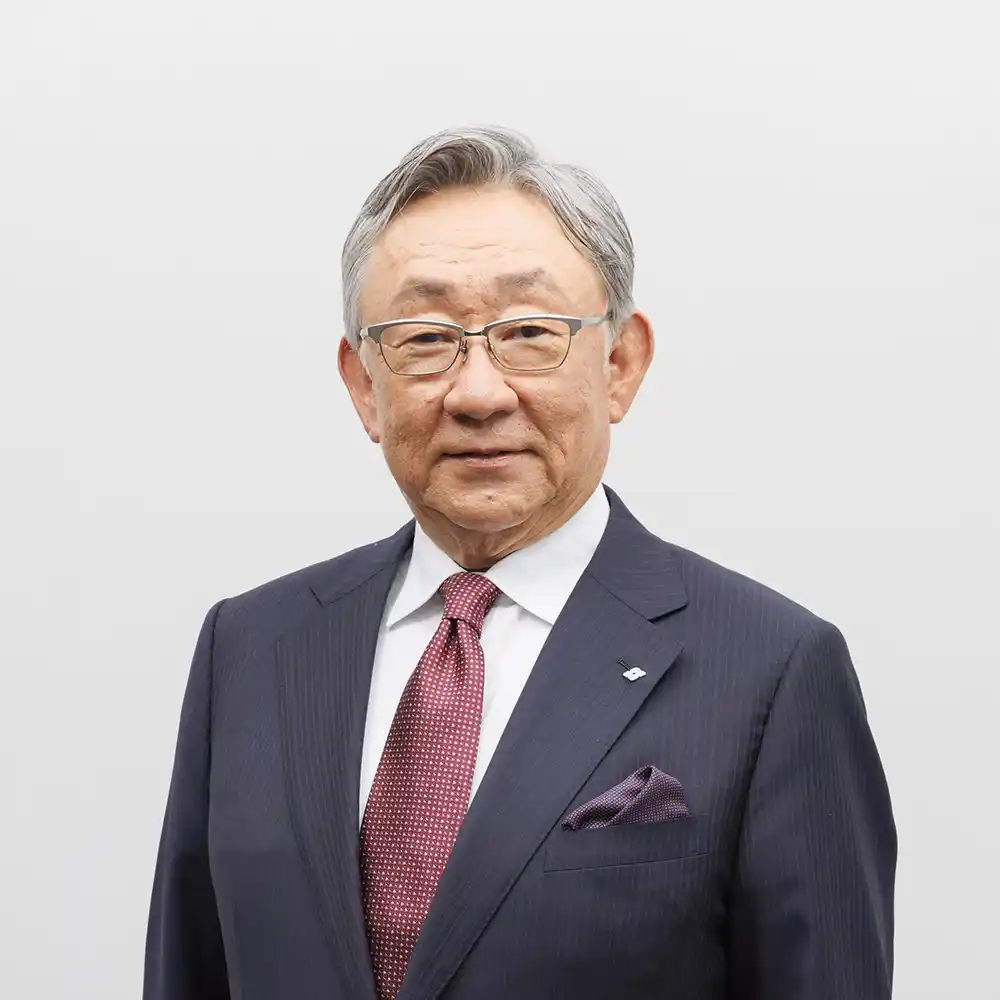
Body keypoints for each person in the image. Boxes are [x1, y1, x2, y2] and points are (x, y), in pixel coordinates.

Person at [143, 126, 896, 1000]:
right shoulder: (250, 648)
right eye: (425, 338)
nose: (478, 392)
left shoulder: (772, 668)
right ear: (363, 386)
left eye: (529, 332)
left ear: (620, 363)